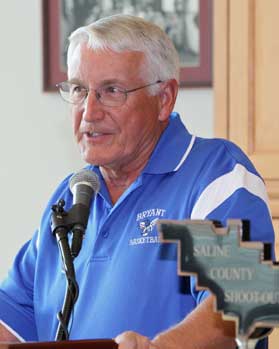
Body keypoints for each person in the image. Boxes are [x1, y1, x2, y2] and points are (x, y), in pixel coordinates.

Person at [0, 14, 274, 349]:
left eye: (111, 91)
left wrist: (160, 348)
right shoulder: (73, 197)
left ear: (164, 99)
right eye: (78, 90)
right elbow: (11, 320)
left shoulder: (214, 174)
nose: (89, 112)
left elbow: (244, 300)